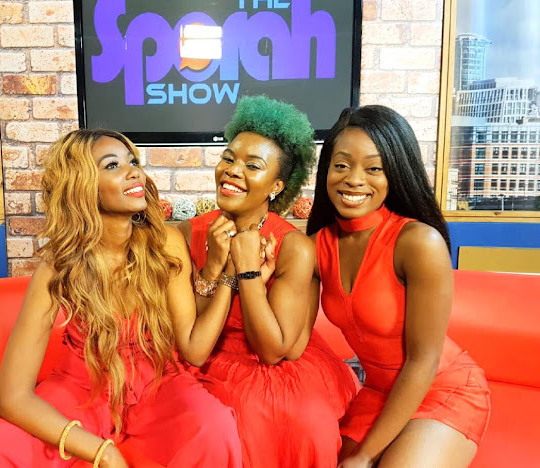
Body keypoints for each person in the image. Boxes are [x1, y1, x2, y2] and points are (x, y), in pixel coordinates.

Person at [0, 129, 241, 468]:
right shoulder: (58, 265)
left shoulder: (165, 244)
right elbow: (11, 397)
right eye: (113, 165)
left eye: (133, 162)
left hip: (157, 382)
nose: (134, 172)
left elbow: (194, 349)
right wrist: (102, 452)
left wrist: (227, 272)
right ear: (82, 185)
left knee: (214, 428)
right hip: (81, 386)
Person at [178, 95, 359, 468]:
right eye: (229, 158)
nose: (233, 170)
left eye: (252, 165)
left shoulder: (294, 247)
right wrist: (216, 267)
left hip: (274, 360)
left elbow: (274, 351)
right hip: (203, 354)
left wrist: (248, 273)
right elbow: (188, 329)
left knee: (294, 420)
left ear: (276, 186)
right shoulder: (185, 233)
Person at [307, 106, 491, 468]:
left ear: (396, 171)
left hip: (441, 387)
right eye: (341, 165)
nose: (354, 179)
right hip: (378, 392)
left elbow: (424, 361)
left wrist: (365, 456)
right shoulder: (316, 246)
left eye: (373, 168)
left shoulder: (418, 242)